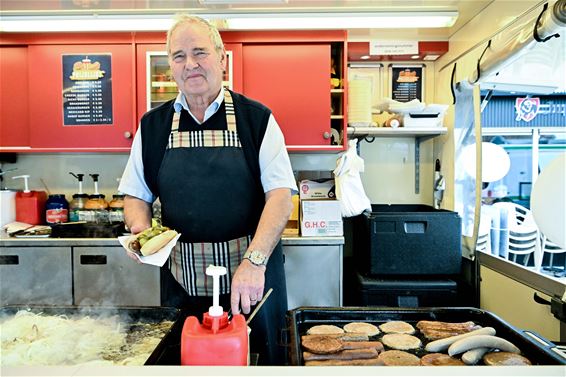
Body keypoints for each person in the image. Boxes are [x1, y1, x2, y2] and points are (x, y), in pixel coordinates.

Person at [119, 14, 297, 365]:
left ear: (221, 57)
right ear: (170, 65)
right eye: (179, 56)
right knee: (181, 363)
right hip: (181, 282)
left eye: (199, 52)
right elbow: (135, 195)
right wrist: (140, 231)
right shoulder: (152, 125)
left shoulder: (256, 119)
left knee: (256, 361)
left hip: (250, 283)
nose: (191, 64)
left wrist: (255, 261)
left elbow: (280, 196)